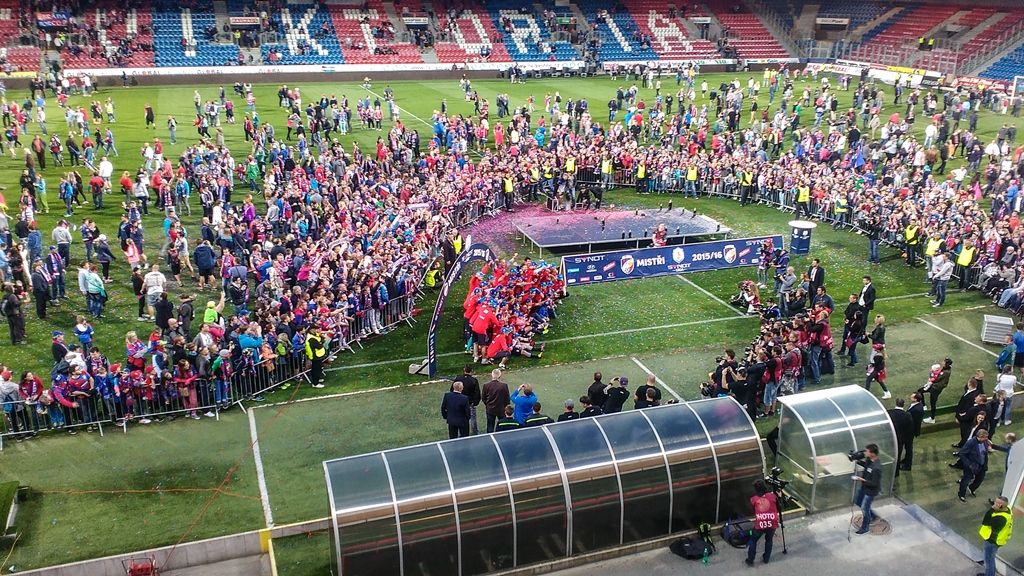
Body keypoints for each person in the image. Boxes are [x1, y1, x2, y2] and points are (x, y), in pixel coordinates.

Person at [746, 479, 780, 566]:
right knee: (769, 540)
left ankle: (750, 559)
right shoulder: (772, 496)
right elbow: (779, 507)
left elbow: (754, 511)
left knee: (753, 540)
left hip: (760, 523)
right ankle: (766, 558)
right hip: (772, 522)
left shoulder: (753, 499)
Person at [978, 496, 1013, 576]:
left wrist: (992, 509)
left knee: (988, 561)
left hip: (992, 541)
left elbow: (985, 521)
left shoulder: (1000, 518)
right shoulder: (1008, 510)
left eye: (996, 503)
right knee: (991, 559)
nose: (994, 504)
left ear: (1000, 505)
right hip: (999, 540)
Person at [852, 443, 882, 534]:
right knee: (858, 502)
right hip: (864, 488)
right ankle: (873, 516)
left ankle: (865, 527)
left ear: (872, 453)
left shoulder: (877, 468)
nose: (865, 453)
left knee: (865, 508)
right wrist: (857, 460)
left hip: (870, 491)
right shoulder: (869, 460)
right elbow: (866, 466)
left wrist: (861, 479)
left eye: (867, 451)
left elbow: (874, 483)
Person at [957, 428, 992, 502]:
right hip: (971, 466)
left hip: (982, 464)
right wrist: (968, 464)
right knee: (966, 480)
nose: (986, 439)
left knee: (980, 479)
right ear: (979, 437)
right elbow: (962, 453)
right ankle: (961, 494)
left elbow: (986, 452)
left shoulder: (985, 441)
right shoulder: (971, 443)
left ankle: (972, 488)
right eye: (985, 437)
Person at [919, 358, 952, 423]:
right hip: (933, 386)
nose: (942, 362)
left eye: (944, 362)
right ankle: (923, 405)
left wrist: (932, 374)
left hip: (936, 389)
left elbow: (936, 379)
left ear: (946, 364)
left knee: (933, 403)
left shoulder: (945, 372)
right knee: (920, 391)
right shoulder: (945, 369)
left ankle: (932, 418)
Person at [887, 398, 914, 477]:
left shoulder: (889, 413)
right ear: (903, 404)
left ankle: (892, 469)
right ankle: (896, 472)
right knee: (898, 455)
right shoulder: (907, 415)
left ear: (896, 403)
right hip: (901, 439)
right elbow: (910, 428)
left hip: (892, 437)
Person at [452, 364, 481, 435]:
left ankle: (460, 432)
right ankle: (475, 432)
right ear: (471, 371)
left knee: (460, 417)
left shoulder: (458, 378)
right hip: (470, 403)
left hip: (459, 402)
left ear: (464, 370)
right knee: (473, 418)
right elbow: (477, 393)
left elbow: (452, 390)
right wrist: (475, 403)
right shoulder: (474, 380)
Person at [482, 368, 510, 433]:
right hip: (501, 409)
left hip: (490, 409)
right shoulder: (504, 386)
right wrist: (505, 407)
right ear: (500, 376)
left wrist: (488, 405)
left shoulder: (486, 385)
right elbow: (507, 398)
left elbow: (483, 398)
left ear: (492, 375)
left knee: (490, 426)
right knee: (503, 426)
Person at [904, 393, 924, 471]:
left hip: (910, 431)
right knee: (907, 447)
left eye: (912, 397)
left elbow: (915, 422)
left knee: (909, 448)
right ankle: (906, 460)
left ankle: (907, 465)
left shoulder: (917, 409)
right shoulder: (915, 405)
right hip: (909, 430)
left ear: (915, 399)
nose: (910, 397)